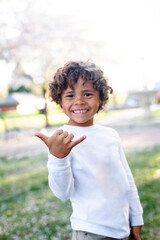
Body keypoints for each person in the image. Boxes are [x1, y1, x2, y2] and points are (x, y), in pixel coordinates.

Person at [35, 61, 143, 240]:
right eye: (70, 95)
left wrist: (136, 216)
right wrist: (58, 158)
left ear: (100, 98)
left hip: (122, 228)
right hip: (90, 231)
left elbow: (127, 180)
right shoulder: (62, 139)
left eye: (87, 94)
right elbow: (62, 193)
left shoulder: (110, 135)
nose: (79, 101)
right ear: (60, 101)